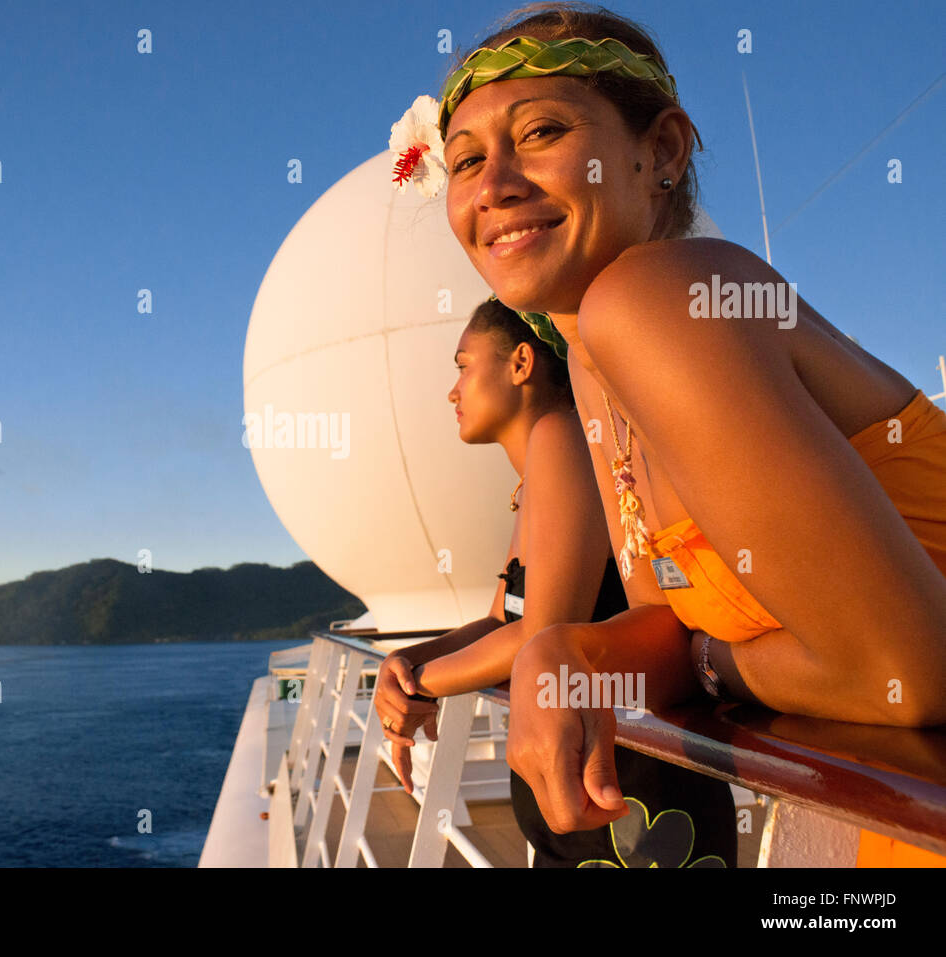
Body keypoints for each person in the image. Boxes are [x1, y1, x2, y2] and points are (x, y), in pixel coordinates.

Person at [397, 1, 946, 862]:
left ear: (661, 151)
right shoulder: (589, 364)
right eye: (466, 159)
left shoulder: (652, 301)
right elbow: (665, 622)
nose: (493, 184)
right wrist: (566, 648)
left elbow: (905, 671)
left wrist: (708, 666)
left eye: (540, 131)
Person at [373, 296, 735, 867]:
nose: (453, 390)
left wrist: (419, 685)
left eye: (463, 365)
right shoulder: (536, 476)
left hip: (627, 803)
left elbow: (540, 633)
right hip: (583, 798)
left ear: (521, 364)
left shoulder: (562, 436)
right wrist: (407, 663)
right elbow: (500, 620)